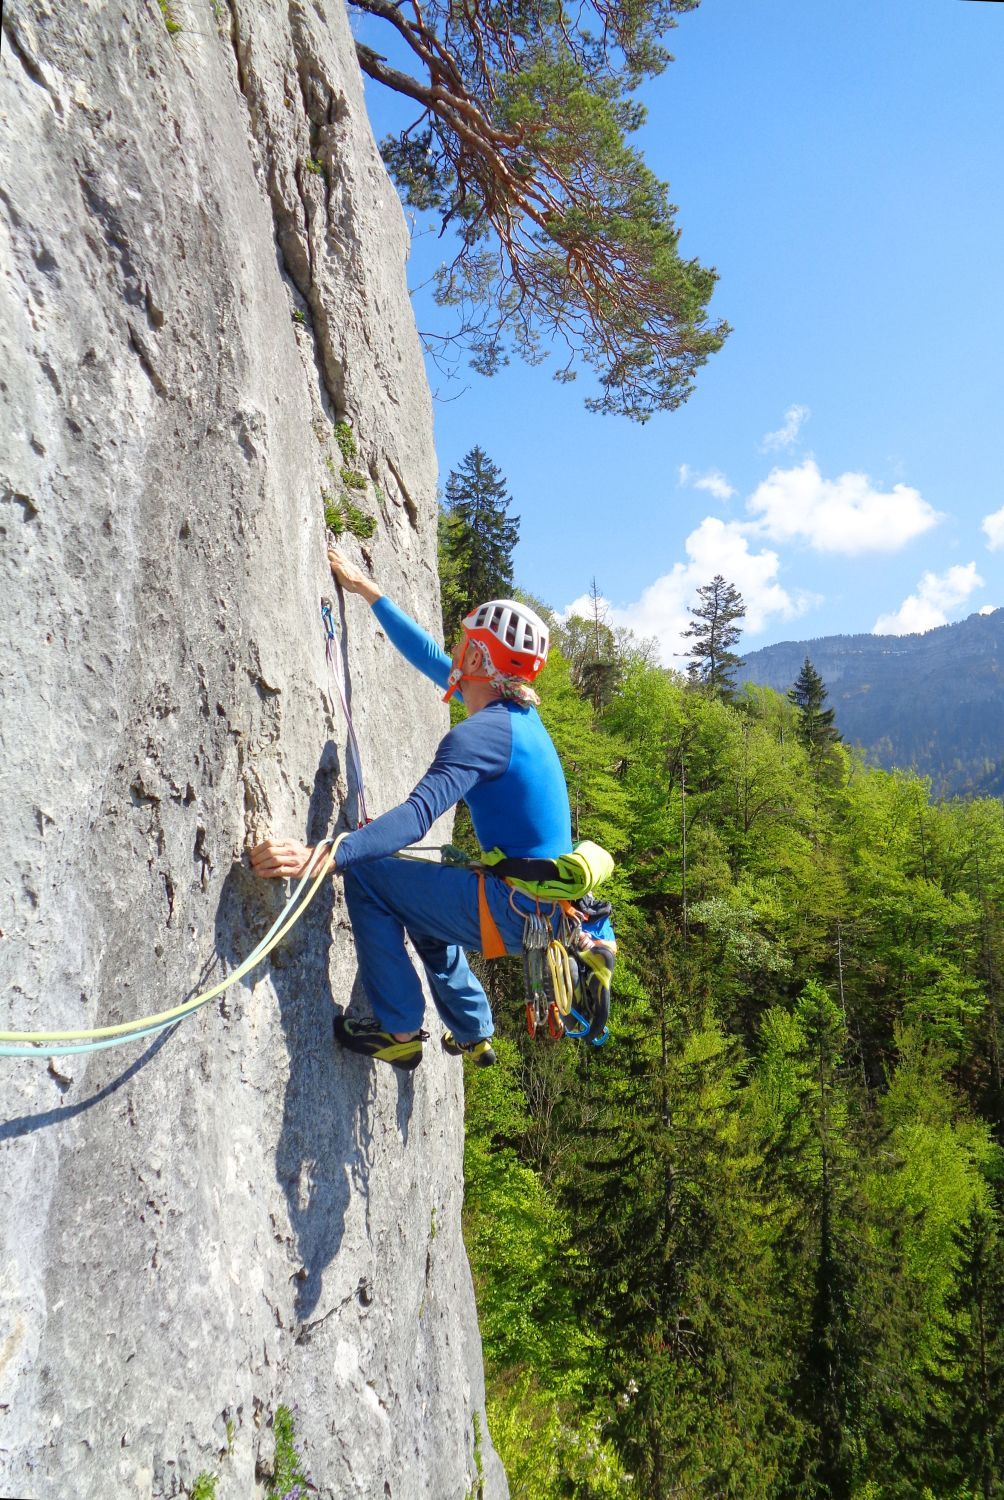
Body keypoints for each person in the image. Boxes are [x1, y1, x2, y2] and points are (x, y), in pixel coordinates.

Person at [250, 547, 583, 1071]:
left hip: (513, 908)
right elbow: (432, 658)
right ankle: (472, 1029)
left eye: (464, 642)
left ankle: (399, 1031)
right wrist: (368, 591)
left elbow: (416, 816)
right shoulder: (515, 716)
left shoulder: (480, 736)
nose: (454, 648)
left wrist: (326, 855)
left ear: (478, 660)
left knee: (369, 875)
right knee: (423, 895)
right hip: (542, 910)